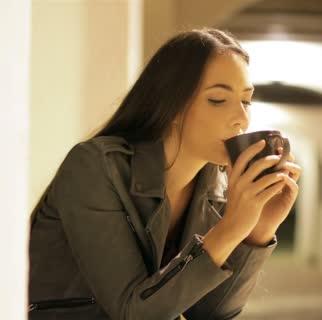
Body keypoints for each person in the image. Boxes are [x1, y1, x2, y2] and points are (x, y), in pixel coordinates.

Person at [28, 28, 301, 320]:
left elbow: (209, 313)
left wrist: (259, 231)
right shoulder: (95, 167)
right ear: (172, 105)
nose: (242, 118)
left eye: (246, 101)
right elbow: (134, 312)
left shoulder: (215, 187)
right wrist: (232, 227)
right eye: (218, 100)